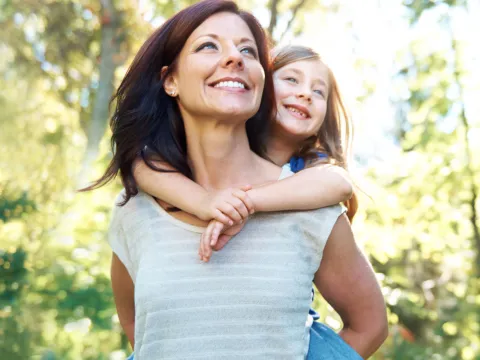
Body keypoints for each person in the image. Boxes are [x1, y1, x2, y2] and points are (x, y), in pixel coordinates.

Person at [85, 1, 388, 358]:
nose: (235, 58)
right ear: (171, 80)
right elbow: (141, 332)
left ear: (260, 84)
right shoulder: (134, 211)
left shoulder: (310, 203)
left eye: (247, 50)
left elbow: (370, 326)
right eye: (209, 45)